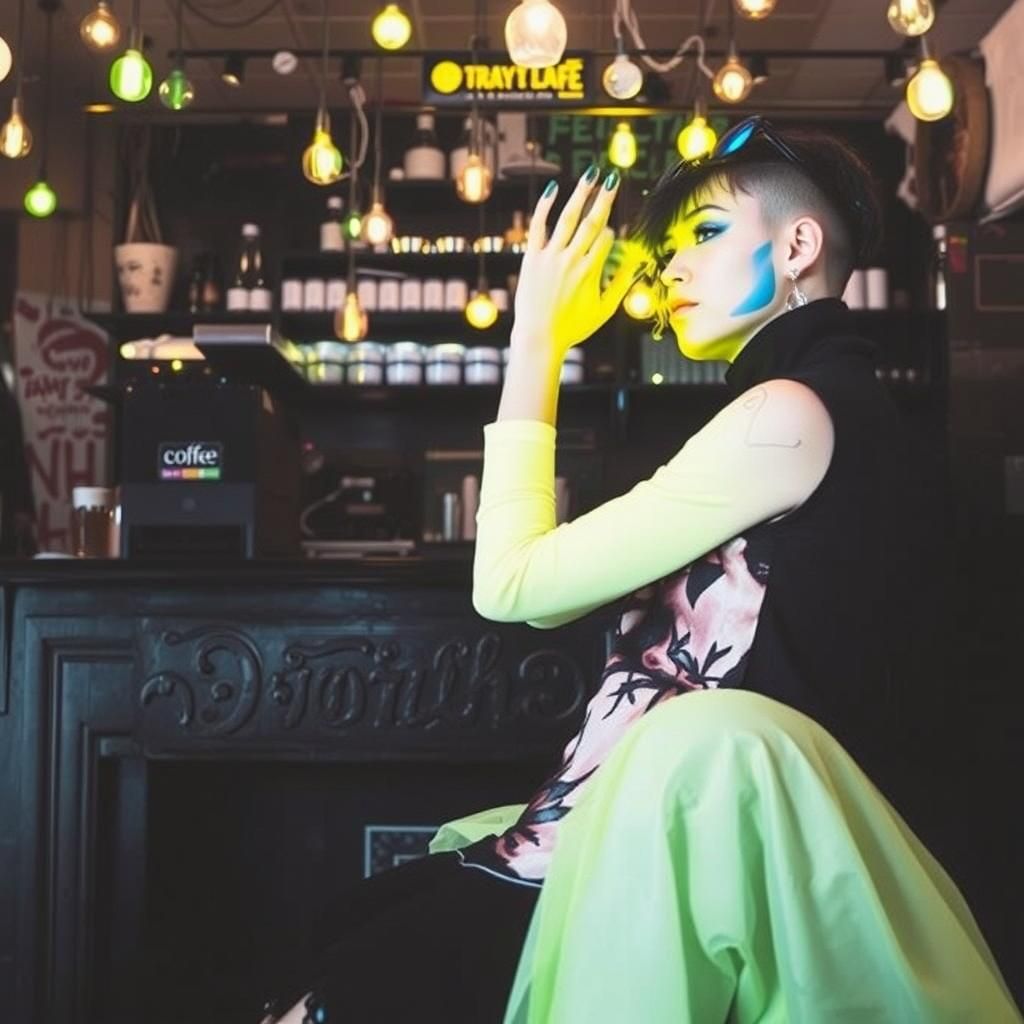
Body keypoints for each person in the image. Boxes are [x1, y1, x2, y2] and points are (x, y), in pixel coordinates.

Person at [259, 118, 1021, 1023]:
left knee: (352, 967)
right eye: (667, 252)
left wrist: (536, 335)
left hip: (722, 867)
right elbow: (535, 600)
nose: (674, 270)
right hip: (744, 856)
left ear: (799, 246)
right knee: (366, 940)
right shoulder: (834, 407)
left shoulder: (786, 412)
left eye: (703, 236)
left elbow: (508, 585)